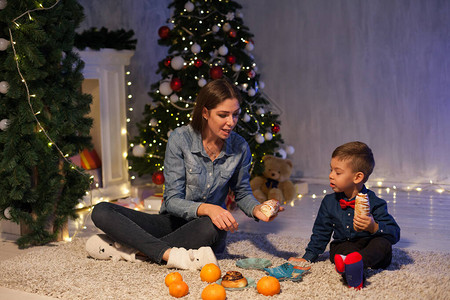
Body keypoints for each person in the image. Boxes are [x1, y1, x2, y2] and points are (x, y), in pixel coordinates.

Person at [88, 78, 283, 270]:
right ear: (205, 113)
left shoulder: (240, 147)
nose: (230, 122)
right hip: (170, 222)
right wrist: (207, 208)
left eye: (235, 115)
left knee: (212, 227)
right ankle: (168, 254)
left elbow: (242, 193)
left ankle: (135, 250)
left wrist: (257, 210)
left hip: (205, 229)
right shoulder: (180, 139)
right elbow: (172, 200)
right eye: (223, 115)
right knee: (102, 210)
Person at [290, 141, 400, 289]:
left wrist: (374, 227)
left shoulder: (375, 202)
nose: (330, 176)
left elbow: (395, 233)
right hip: (345, 246)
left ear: (357, 177)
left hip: (369, 246)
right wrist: (307, 257)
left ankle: (355, 263)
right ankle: (353, 273)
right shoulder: (329, 202)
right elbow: (321, 232)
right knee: (341, 250)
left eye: (338, 172)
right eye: (331, 170)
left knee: (383, 244)